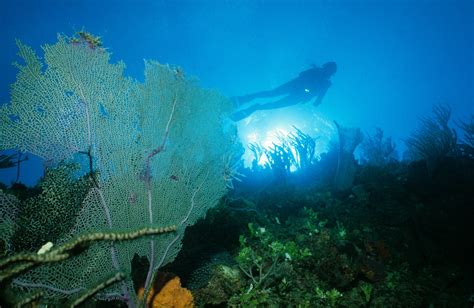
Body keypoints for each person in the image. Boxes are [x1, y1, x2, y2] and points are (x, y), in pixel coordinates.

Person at [230, 61, 337, 121]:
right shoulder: (321, 76)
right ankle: (248, 100)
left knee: (273, 99)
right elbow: (303, 75)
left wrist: (315, 100)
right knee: (272, 97)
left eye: (328, 70)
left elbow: (319, 97)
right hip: (297, 90)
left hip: (297, 92)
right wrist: (314, 98)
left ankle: (252, 104)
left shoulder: (325, 82)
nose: (327, 72)